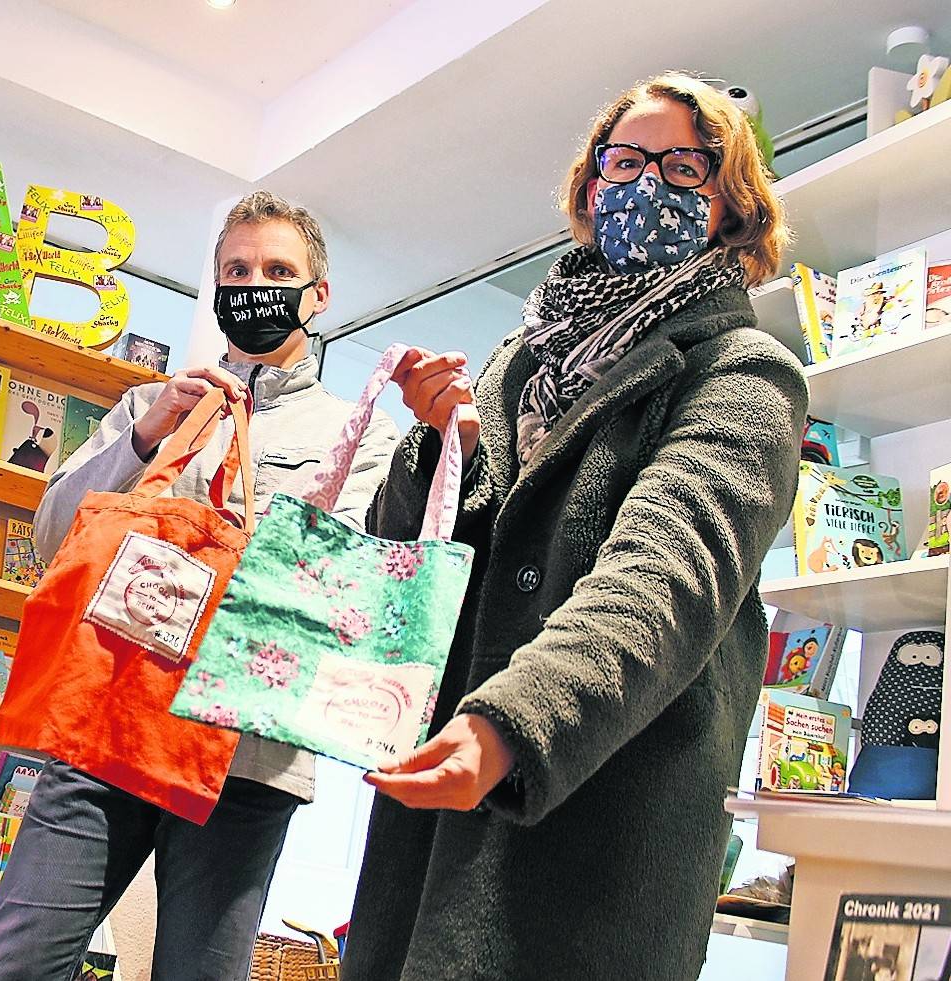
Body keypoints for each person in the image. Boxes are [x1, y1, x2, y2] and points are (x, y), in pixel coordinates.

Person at [343, 73, 805, 980]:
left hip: (596, 834)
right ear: (591, 188)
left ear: (731, 206)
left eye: (685, 168)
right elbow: (396, 553)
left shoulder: (745, 373)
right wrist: (440, 448)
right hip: (438, 818)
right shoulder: (516, 363)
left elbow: (665, 573)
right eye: (625, 162)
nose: (647, 185)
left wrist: (513, 723)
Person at [0, 191, 400, 980]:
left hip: (247, 752)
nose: (255, 285)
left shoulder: (363, 433)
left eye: (277, 271)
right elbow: (52, 535)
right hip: (106, 725)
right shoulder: (150, 405)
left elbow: (336, 586)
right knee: (14, 965)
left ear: (319, 295)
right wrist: (147, 437)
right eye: (236, 270)